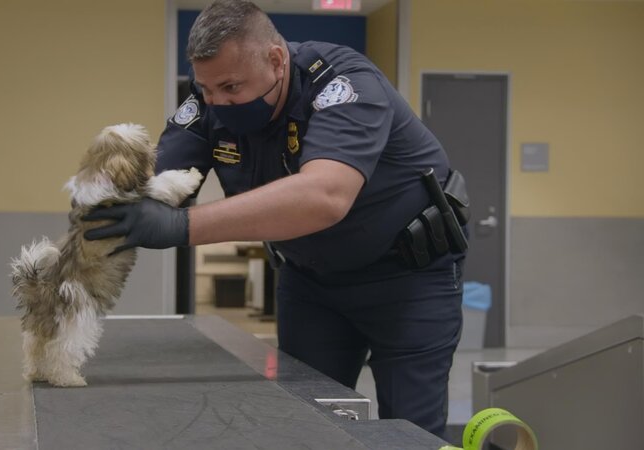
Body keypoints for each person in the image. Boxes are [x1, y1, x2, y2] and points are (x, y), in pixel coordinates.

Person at [83, 0, 466, 439]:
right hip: (311, 284)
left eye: (230, 87)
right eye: (207, 89)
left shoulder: (344, 84)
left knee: (410, 429)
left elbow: (325, 196)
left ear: (277, 60)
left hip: (407, 280)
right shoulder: (207, 98)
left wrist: (183, 227)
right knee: (308, 422)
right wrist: (104, 206)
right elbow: (159, 181)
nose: (217, 102)